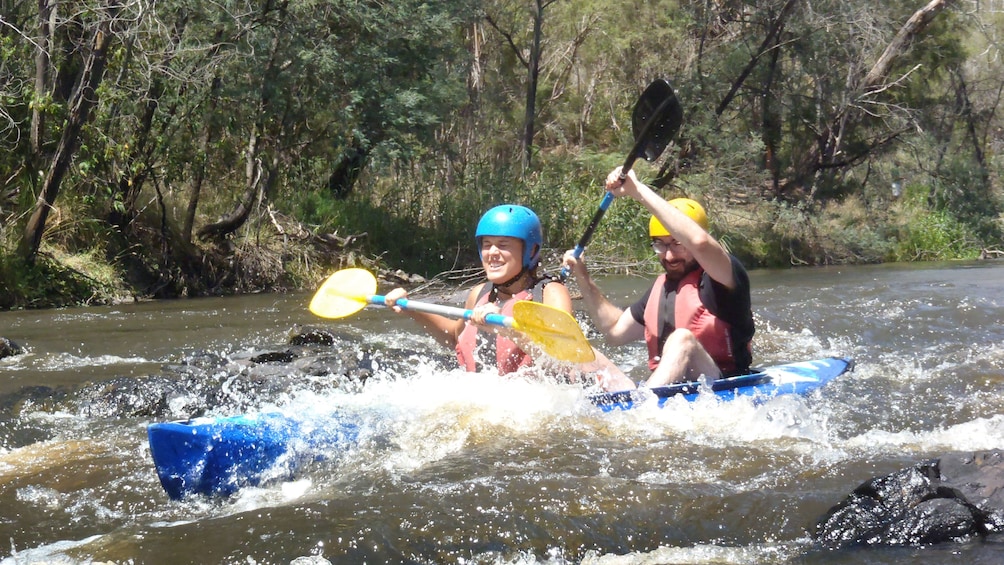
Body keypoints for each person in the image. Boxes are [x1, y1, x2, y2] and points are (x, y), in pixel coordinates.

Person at [384, 204, 630, 387]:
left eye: (503, 245)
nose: (491, 253)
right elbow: (454, 338)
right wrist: (411, 308)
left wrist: (504, 327)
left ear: (530, 250)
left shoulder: (550, 292)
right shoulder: (478, 294)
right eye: (487, 244)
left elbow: (561, 356)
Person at [562, 167, 755, 388]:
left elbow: (700, 243)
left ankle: (643, 407)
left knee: (682, 340)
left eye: (677, 243)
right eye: (660, 245)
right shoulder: (663, 288)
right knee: (583, 354)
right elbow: (614, 331)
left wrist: (637, 190)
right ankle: (635, 404)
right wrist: (583, 277)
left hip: (725, 386)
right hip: (663, 391)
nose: (669, 255)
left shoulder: (725, 277)